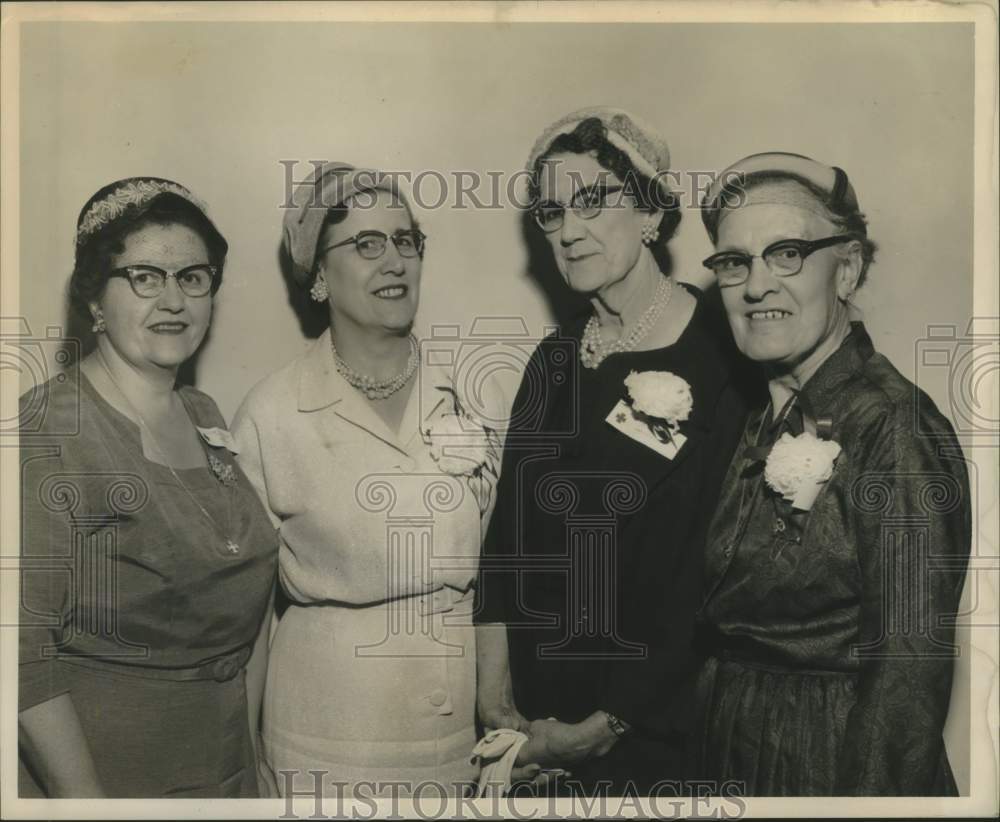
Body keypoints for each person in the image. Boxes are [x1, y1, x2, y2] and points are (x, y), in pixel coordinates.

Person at [474, 108, 749, 795]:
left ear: (652, 211)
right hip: (534, 735)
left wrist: (612, 722)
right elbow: (505, 541)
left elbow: (714, 574)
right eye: (550, 213)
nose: (568, 232)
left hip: (658, 730)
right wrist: (497, 705)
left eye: (592, 203)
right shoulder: (554, 359)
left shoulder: (725, 354)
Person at [693, 152, 970, 795]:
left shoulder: (895, 426)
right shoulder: (758, 415)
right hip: (731, 751)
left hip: (828, 762)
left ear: (845, 271)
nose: (756, 285)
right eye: (735, 262)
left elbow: (907, 681)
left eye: (786, 253)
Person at [232, 163, 504, 797]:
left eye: (405, 240)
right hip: (327, 733)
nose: (394, 261)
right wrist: (249, 771)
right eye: (366, 243)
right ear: (319, 277)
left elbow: (508, 573)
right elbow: (244, 623)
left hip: (463, 731)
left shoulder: (476, 389)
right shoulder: (271, 413)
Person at [18, 177, 278, 798]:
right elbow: (21, 655)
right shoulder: (46, 429)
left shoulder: (205, 412)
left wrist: (253, 755)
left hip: (225, 765)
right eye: (144, 276)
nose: (173, 300)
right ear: (95, 300)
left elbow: (249, 599)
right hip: (106, 776)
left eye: (193, 277)